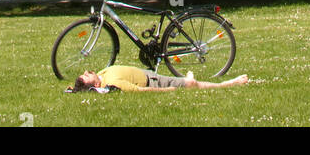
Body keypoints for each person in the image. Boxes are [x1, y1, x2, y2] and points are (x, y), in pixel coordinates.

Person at [68, 65, 250, 93]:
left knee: (185, 81)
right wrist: (166, 90)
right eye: (86, 76)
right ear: (97, 84)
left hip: (148, 73)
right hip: (152, 80)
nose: (86, 71)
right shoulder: (112, 82)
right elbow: (141, 91)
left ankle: (186, 77)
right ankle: (230, 83)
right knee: (191, 84)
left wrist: (74, 88)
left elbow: (75, 88)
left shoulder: (102, 74)